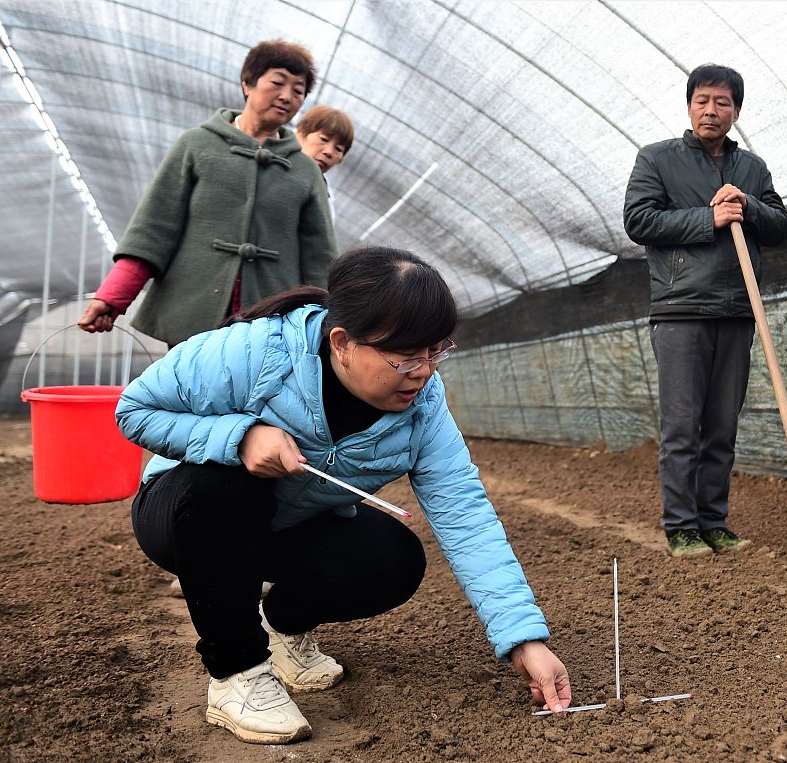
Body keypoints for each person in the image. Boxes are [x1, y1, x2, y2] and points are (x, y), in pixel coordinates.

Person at [115, 246, 572, 744]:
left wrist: (523, 639)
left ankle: (281, 626)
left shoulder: (423, 408)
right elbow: (134, 410)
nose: (423, 371)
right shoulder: (252, 352)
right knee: (223, 486)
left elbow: (465, 516)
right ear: (343, 343)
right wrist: (239, 437)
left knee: (393, 558)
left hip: (289, 527)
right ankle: (237, 673)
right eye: (405, 357)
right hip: (188, 516)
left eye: (436, 351)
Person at [623, 64, 787, 559]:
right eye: (702, 101)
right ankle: (680, 527)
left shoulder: (752, 170)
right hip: (680, 310)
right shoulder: (656, 159)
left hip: (739, 311)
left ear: (736, 111)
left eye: (722, 102)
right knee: (683, 426)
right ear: (689, 105)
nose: (711, 110)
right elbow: (639, 220)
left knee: (722, 424)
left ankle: (714, 522)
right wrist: (709, 218)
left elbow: (781, 226)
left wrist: (746, 205)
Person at [77, 39, 336, 347]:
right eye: (278, 83)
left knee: (255, 392)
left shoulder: (304, 169)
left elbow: (319, 258)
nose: (287, 96)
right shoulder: (197, 145)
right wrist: (113, 297)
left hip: (270, 320)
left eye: (298, 90)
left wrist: (325, 325)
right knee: (187, 390)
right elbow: (154, 229)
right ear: (247, 83)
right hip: (192, 310)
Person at [296, 104, 355, 222]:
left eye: (338, 149)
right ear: (301, 134)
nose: (329, 152)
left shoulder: (326, 206)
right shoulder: (270, 163)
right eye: (323, 139)